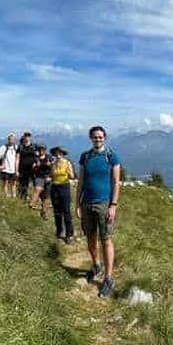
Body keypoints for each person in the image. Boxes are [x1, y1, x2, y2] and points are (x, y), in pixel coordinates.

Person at [76, 125, 121, 298]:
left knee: (106, 240)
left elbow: (116, 182)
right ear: (91, 138)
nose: (98, 139)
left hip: (104, 204)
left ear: (104, 138)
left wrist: (113, 205)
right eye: (95, 137)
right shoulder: (85, 157)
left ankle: (108, 278)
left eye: (100, 137)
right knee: (90, 238)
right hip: (87, 203)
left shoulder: (111, 156)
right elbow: (81, 181)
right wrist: (77, 204)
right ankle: (96, 265)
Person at [50, 146, 75, 244]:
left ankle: (69, 234)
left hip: (64, 187)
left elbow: (72, 176)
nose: (58, 155)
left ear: (63, 154)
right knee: (57, 211)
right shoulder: (53, 164)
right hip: (54, 187)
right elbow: (52, 176)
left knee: (66, 211)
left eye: (60, 153)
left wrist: (69, 173)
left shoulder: (67, 163)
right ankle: (59, 230)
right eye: (56, 153)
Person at [28, 143, 52, 219]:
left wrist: (51, 176)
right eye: (40, 149)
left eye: (43, 149)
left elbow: (53, 167)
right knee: (38, 189)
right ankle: (31, 204)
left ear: (45, 150)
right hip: (39, 177)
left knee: (45, 196)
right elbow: (33, 168)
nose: (41, 151)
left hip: (48, 177)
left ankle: (44, 213)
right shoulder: (36, 158)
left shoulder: (49, 157)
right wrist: (36, 166)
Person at [0, 133, 17, 198]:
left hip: (14, 169)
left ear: (14, 140)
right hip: (5, 169)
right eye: (10, 139)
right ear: (8, 140)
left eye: (12, 139)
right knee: (5, 183)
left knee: (14, 183)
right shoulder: (3, 147)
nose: (11, 140)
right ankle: (5, 196)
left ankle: (13, 196)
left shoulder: (16, 147)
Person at [15, 131, 36, 202]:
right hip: (23, 169)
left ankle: (35, 198)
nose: (27, 138)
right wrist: (16, 170)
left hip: (33, 169)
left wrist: (36, 163)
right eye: (26, 136)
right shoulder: (20, 147)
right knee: (23, 185)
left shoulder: (34, 146)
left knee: (36, 184)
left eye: (28, 136)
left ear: (30, 137)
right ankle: (22, 199)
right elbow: (17, 159)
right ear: (23, 137)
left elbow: (38, 156)